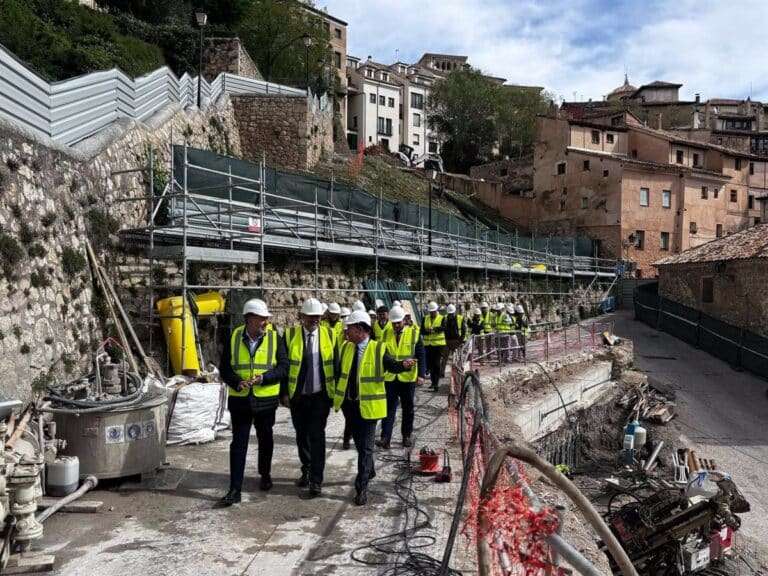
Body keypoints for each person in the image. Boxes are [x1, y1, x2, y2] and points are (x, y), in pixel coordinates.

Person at [334, 310, 415, 505]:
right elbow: (340, 373)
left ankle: (361, 488)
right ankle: (369, 469)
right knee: (361, 445)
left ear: (361, 330)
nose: (347, 332)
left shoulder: (378, 348)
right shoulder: (346, 348)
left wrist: (404, 365)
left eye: (350, 329)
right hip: (350, 406)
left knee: (366, 448)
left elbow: (392, 366)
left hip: (369, 407)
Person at [218, 299, 288, 507]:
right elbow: (224, 368)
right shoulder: (233, 337)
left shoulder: (275, 338)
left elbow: (284, 367)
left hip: (266, 401)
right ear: (249, 318)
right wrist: (236, 381)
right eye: (261, 319)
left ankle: (265, 474)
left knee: (265, 439)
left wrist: (264, 378)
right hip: (240, 401)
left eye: (267, 319)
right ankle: (235, 489)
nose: (265, 322)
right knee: (238, 444)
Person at [281, 298, 337, 498]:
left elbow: (337, 366)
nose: (314, 320)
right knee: (301, 435)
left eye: (317, 316)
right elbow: (283, 367)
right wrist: (284, 394)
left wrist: (336, 394)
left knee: (317, 436)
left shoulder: (330, 334)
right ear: (302, 316)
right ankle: (306, 469)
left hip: (320, 397)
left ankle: (316, 480)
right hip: (298, 397)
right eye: (310, 316)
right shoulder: (289, 336)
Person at [377, 305, 426, 449]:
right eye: (394, 323)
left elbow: (421, 354)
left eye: (398, 322)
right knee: (388, 409)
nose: (396, 325)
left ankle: (406, 435)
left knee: (408, 408)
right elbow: (382, 354)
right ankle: (385, 438)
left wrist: (421, 374)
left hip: (408, 378)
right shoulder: (386, 334)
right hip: (390, 378)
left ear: (404, 320)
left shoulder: (413, 334)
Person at [421, 301, 446, 391]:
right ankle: (433, 382)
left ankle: (436, 383)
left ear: (436, 310)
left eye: (433, 312)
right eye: (430, 312)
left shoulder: (442, 318)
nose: (432, 313)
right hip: (428, 345)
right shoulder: (425, 318)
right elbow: (422, 330)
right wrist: (427, 331)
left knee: (436, 364)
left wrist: (435, 329)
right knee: (430, 364)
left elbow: (444, 328)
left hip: (439, 345)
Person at [339, 306, 353, 449]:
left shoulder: (360, 346)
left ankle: (347, 438)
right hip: (344, 389)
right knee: (349, 417)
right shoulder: (342, 346)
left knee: (352, 418)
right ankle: (347, 438)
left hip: (356, 388)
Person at [442, 304, 465, 376]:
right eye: (450, 314)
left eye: (452, 314)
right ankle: (441, 373)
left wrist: (460, 341)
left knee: (458, 358)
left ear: (454, 312)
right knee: (444, 358)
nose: (451, 315)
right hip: (447, 341)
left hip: (457, 341)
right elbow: (442, 329)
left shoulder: (460, 318)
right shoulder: (445, 318)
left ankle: (459, 372)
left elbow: (464, 330)